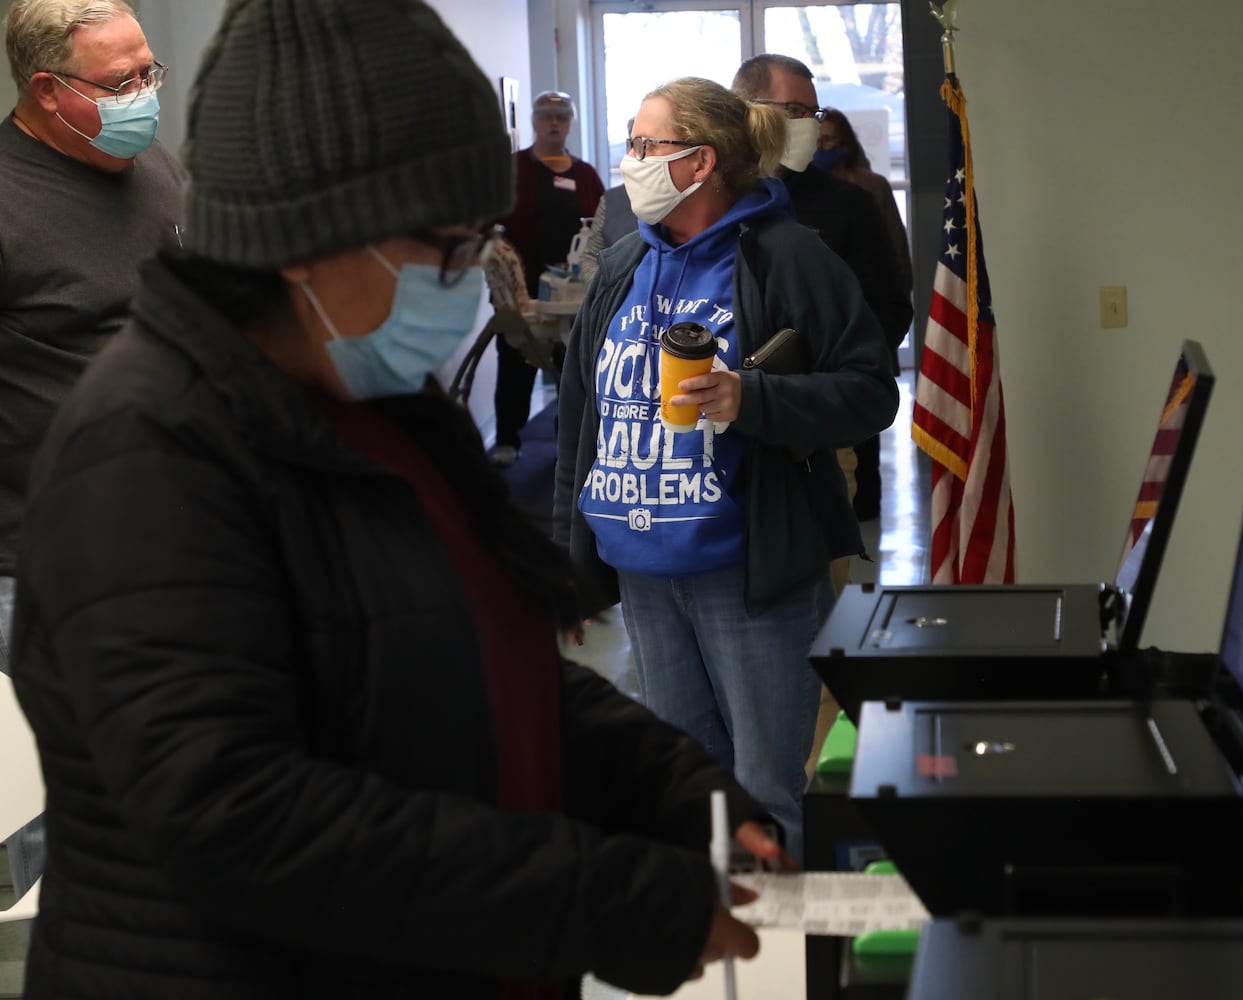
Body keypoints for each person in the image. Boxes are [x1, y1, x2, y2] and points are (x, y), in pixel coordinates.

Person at [10, 2, 776, 996]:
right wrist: (596, 897)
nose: (464, 281)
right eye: (447, 247)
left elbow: (459, 657)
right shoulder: (145, 453)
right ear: (306, 237)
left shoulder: (370, 406)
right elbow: (239, 816)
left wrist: (661, 781)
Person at [553, 76, 899, 861]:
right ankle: (726, 965)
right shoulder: (619, 267)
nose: (630, 161)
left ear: (700, 163)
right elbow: (582, 426)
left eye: (646, 146)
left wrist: (754, 399)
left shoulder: (787, 257)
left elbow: (870, 390)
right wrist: (567, 571)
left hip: (749, 572)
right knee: (693, 794)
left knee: (766, 793)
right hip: (642, 569)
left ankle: (789, 972)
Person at [0, 0, 183, 901]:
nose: (145, 96)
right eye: (121, 84)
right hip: (40, 572)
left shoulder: (150, 165)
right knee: (64, 857)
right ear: (47, 90)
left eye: (149, 72)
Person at [732, 54, 913, 525]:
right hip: (722, 432)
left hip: (818, 431)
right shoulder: (711, 199)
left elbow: (889, 306)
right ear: (747, 109)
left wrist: (830, 379)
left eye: (812, 113)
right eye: (793, 111)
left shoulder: (846, 202)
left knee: (819, 583)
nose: (807, 125)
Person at [490, 89, 604, 467]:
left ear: (570, 122)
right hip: (521, 290)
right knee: (516, 360)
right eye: (546, 116)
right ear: (534, 121)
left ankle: (569, 439)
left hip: (574, 292)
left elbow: (603, 228)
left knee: (573, 363)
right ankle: (507, 438)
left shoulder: (585, 175)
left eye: (562, 117)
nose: (554, 123)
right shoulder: (511, 169)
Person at [816, 107, 914, 313]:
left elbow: (898, 250)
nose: (821, 147)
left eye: (827, 139)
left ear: (845, 143)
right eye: (816, 141)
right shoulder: (806, 191)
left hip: (873, 299)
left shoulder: (873, 186)